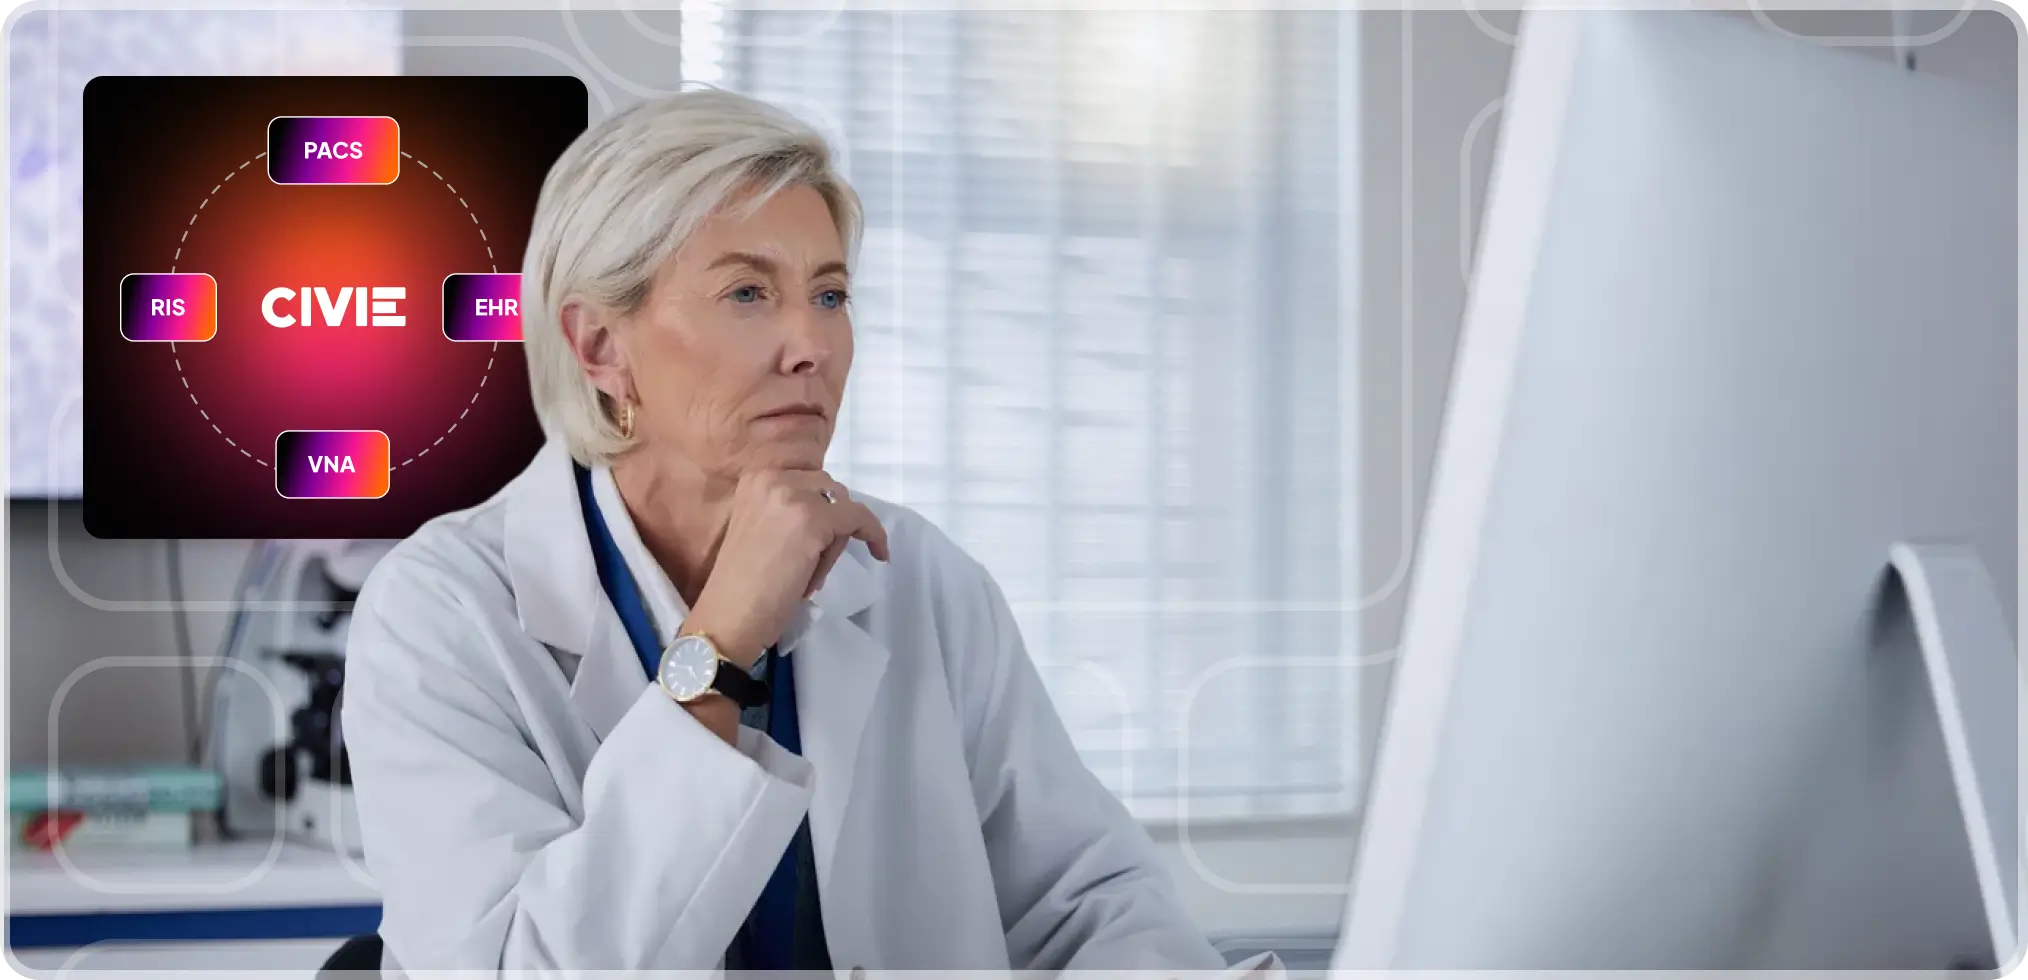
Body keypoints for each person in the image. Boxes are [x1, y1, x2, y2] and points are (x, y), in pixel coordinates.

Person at [341, 88, 1230, 973]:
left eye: (830, 295)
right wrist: (720, 643)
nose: (810, 344)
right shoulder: (440, 613)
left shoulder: (916, 577)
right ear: (601, 347)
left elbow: (1089, 903)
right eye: (747, 292)